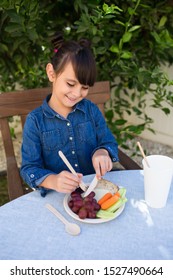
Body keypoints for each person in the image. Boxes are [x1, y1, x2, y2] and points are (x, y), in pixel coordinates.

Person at [20, 33, 119, 197]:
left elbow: (108, 141)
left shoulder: (90, 111)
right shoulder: (35, 121)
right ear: (52, 73)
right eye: (71, 84)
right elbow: (29, 168)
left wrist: (102, 152)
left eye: (85, 87)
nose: (77, 93)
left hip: (96, 191)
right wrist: (52, 180)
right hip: (58, 197)